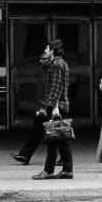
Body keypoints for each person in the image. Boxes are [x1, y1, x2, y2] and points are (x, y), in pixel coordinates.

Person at [31, 39, 73, 180]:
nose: (46, 50)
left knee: (52, 140)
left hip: (56, 107)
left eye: (47, 48)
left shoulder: (55, 64)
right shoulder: (63, 63)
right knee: (61, 139)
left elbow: (55, 87)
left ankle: (49, 171)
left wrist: (50, 107)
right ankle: (67, 170)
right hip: (62, 105)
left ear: (53, 50)